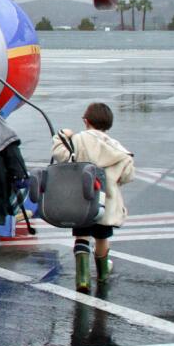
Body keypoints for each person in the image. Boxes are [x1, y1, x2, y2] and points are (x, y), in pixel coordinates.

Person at [51, 102, 134, 292]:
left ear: (85, 121)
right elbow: (128, 175)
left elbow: (60, 155)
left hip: (82, 198)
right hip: (107, 202)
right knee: (102, 237)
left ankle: (82, 278)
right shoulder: (118, 148)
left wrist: (61, 135)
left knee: (82, 235)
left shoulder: (78, 140)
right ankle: (103, 274)